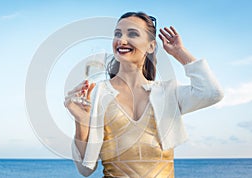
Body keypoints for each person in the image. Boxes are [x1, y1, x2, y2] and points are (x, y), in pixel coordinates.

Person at [64, 12, 224, 178]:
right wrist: (81, 121)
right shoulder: (98, 94)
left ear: (151, 46)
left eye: (132, 34)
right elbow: (85, 170)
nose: (121, 40)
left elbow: (212, 93)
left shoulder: (167, 93)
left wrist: (180, 53)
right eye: (118, 34)